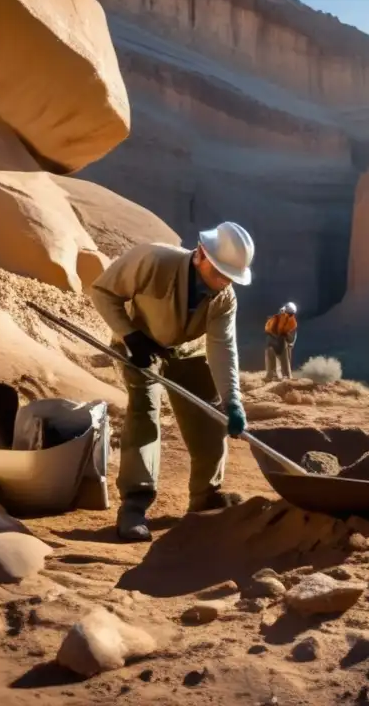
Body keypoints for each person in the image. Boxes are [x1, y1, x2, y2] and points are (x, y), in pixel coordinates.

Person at [89, 221, 253, 541]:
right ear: (200, 255)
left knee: (210, 415)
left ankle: (205, 495)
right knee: (144, 411)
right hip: (139, 348)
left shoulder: (224, 298)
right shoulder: (152, 261)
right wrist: (131, 336)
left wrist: (232, 400)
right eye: (219, 273)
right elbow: (103, 291)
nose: (223, 283)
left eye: (231, 278)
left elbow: (222, 347)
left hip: (186, 354)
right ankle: (135, 504)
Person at [264, 302, 298, 380]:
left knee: (280, 353)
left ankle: (276, 375)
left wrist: (289, 341)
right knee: (273, 353)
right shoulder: (280, 318)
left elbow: (291, 334)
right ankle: (276, 375)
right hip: (275, 338)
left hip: (277, 339)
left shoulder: (289, 320)